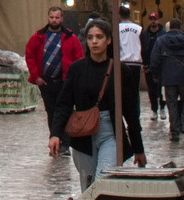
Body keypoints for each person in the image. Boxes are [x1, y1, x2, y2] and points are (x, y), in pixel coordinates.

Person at [46, 20, 125, 188]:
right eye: (90, 38)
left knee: (104, 180)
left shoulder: (119, 69)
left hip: (109, 131)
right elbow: (64, 104)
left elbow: (132, 110)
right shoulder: (77, 69)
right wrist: (55, 134)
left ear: (108, 40)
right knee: (88, 185)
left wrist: (138, 149)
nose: (94, 41)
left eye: (99, 37)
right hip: (83, 133)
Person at [24, 8, 82, 145]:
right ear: (48, 18)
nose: (54, 20)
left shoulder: (70, 37)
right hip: (46, 81)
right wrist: (36, 76)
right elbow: (30, 55)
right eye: (51, 17)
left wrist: (73, 79)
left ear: (62, 19)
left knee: (65, 111)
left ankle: (66, 143)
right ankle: (56, 139)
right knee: (51, 111)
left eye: (57, 17)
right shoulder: (38, 36)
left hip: (64, 81)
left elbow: (78, 58)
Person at [150, 19, 184, 142]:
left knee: (171, 103)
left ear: (169, 28)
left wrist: (155, 75)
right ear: (181, 27)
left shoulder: (160, 41)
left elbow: (154, 59)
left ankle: (174, 131)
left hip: (168, 78)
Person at [113, 7, 148, 164]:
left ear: (119, 15)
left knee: (122, 94)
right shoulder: (139, 29)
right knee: (133, 96)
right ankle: (135, 120)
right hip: (135, 64)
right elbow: (145, 47)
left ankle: (128, 120)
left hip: (121, 63)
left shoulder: (116, 29)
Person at [140, 12, 165, 115]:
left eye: (155, 19)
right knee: (151, 90)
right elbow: (142, 49)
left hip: (161, 66)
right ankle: (154, 109)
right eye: (151, 19)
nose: (153, 21)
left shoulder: (163, 34)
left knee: (161, 89)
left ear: (158, 20)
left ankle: (162, 108)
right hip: (148, 66)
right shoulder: (144, 34)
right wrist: (144, 64)